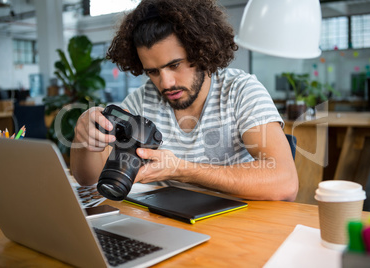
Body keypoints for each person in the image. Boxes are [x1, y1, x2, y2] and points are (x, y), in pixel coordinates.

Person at [71, 0, 298, 201]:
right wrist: (84, 141)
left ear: (201, 50)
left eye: (174, 65)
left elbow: (285, 183)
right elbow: (88, 179)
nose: (166, 83)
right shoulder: (142, 100)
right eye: (153, 71)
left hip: (239, 226)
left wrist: (181, 170)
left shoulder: (241, 91)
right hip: (169, 223)